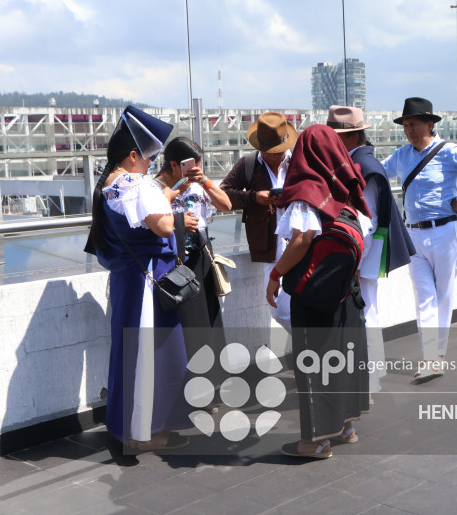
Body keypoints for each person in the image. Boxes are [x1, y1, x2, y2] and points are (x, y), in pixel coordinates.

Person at [84, 106, 191, 449]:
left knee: (131, 354)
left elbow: (135, 220)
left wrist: (163, 198)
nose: (151, 164)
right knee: (156, 353)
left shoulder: (110, 185)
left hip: (129, 280)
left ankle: (132, 427)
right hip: (150, 281)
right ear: (133, 156)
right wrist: (174, 213)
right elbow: (160, 225)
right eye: (149, 157)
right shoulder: (135, 183)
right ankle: (151, 432)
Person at [266, 124, 371, 459]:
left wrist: (276, 274)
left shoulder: (307, 191)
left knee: (312, 363)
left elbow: (300, 240)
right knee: (341, 359)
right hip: (346, 289)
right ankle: (345, 428)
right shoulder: (348, 187)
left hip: (315, 292)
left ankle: (314, 442)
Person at [382, 97, 457, 382]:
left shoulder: (449, 152)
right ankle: (429, 358)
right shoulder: (402, 155)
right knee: (423, 297)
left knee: (443, 295)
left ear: (430, 124)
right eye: (405, 125)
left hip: (445, 231)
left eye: (414, 124)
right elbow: (376, 174)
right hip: (413, 234)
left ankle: (438, 356)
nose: (408, 129)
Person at [326, 105, 415, 397]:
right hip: (368, 247)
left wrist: (351, 255)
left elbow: (366, 219)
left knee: (365, 312)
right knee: (369, 309)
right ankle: (373, 373)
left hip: (363, 248)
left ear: (351, 136)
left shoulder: (362, 167)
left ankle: (370, 376)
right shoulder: (365, 162)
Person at [154, 137, 231, 403]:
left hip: (200, 261)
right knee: (183, 330)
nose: (194, 170)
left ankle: (209, 391)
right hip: (171, 266)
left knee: (206, 327)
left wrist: (206, 181)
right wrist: (178, 222)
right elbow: (150, 223)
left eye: (198, 165)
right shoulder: (155, 188)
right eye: (190, 166)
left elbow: (227, 205)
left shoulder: (199, 186)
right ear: (174, 165)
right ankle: (185, 395)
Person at [220, 112, 296, 333]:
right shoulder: (249, 164)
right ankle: (310, 341)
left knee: (300, 300)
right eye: (269, 152)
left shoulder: (298, 161)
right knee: (278, 307)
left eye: (278, 151)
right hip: (269, 246)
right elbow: (224, 194)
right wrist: (255, 197)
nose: (274, 156)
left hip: (301, 240)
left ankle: (310, 346)